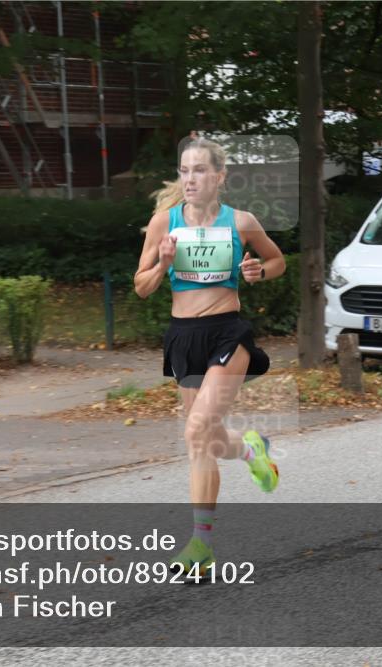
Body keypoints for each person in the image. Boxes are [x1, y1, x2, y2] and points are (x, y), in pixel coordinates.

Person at [134, 136, 286, 575]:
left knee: (197, 429)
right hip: (184, 337)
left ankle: (201, 547)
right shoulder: (165, 222)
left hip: (227, 333)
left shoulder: (241, 222)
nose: (191, 178)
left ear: (220, 176)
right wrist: (162, 264)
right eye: (185, 170)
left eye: (200, 170)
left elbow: (277, 261)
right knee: (210, 439)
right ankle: (250, 450)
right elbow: (141, 287)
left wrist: (259, 271)